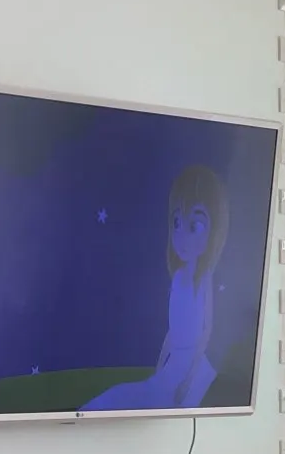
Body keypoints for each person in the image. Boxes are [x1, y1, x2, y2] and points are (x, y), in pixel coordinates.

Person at [81, 163, 229, 412]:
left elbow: (206, 331)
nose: (182, 237)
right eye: (177, 223)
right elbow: (172, 331)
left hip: (189, 367)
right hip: (171, 367)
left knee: (154, 401)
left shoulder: (204, 279)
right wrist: (160, 368)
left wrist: (189, 378)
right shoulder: (178, 277)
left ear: (213, 231)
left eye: (195, 226)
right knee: (135, 396)